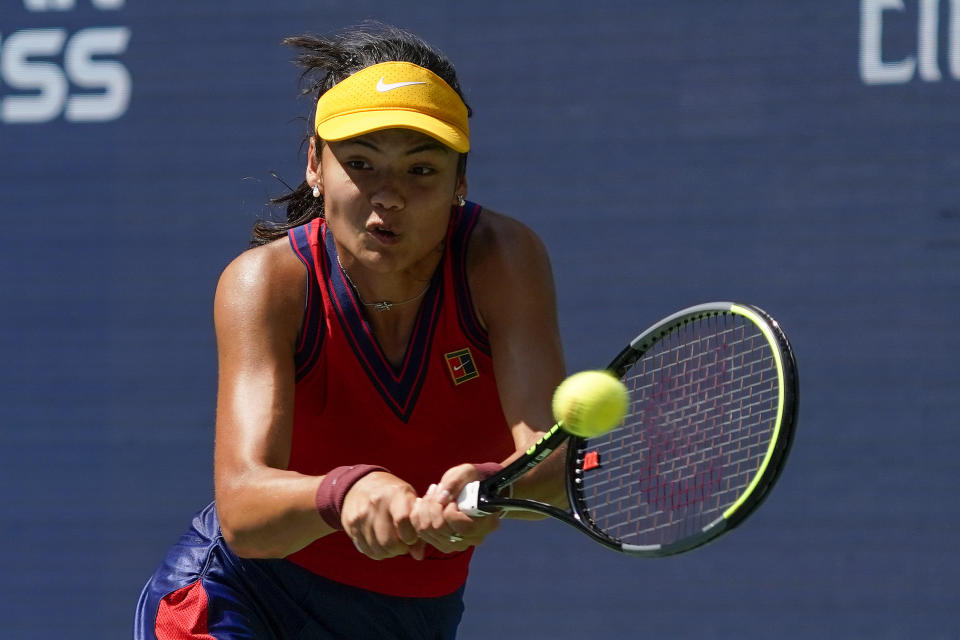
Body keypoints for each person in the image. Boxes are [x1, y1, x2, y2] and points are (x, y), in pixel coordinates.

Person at [134, 23, 567, 640]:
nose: (386, 197)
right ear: (315, 164)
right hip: (245, 601)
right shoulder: (265, 285)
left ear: (459, 185)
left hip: (412, 620)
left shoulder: (503, 260)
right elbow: (242, 508)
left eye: (421, 170)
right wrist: (346, 492)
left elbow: (548, 460)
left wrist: (493, 487)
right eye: (360, 164)